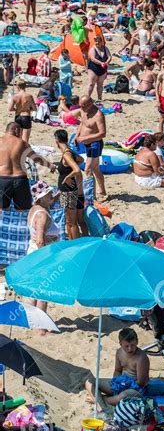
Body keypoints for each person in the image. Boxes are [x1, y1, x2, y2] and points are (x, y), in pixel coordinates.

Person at [85, 328, 151, 406]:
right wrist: (116, 382)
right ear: (120, 344)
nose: (130, 349)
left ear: (137, 341)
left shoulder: (141, 358)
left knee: (123, 397)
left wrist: (125, 385)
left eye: (132, 345)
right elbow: (118, 370)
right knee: (91, 382)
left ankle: (101, 400)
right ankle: (105, 400)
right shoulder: (119, 352)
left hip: (136, 388)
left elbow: (141, 382)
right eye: (126, 346)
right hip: (122, 383)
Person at [27, 180, 60, 320]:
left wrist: (57, 195)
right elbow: (40, 240)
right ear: (40, 197)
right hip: (41, 254)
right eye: (48, 193)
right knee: (43, 292)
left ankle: (32, 320)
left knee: (34, 290)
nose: (51, 194)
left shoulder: (34, 209)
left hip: (32, 252)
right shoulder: (43, 215)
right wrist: (47, 258)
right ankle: (41, 326)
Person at [54, 129, 88, 239]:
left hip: (68, 192)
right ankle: (71, 242)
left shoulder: (66, 155)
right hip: (70, 191)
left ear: (57, 141)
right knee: (69, 221)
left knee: (72, 222)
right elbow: (81, 160)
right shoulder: (69, 152)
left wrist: (67, 177)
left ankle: (76, 245)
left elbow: (77, 169)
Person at [74, 96, 107, 201]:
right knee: (96, 169)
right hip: (86, 144)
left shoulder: (98, 115)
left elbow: (102, 133)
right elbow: (82, 124)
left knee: (88, 169)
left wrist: (85, 137)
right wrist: (77, 135)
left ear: (90, 104)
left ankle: (91, 196)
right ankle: (102, 191)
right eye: (80, 105)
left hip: (95, 144)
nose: (81, 108)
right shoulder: (84, 111)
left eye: (83, 106)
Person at [86, 35, 110, 100]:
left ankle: (100, 98)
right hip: (93, 67)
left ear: (101, 42)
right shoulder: (92, 49)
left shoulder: (105, 48)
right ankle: (87, 97)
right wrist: (101, 63)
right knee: (91, 83)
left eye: (98, 41)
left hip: (102, 68)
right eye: (96, 41)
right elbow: (92, 58)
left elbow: (109, 57)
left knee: (100, 84)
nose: (97, 43)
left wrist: (107, 62)